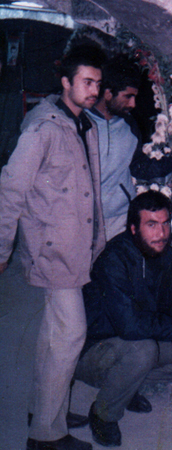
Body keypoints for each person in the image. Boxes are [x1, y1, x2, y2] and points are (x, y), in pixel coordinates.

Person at [0, 45, 106, 450]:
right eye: (87, 82)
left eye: (98, 83)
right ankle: (46, 435)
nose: (94, 90)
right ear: (65, 82)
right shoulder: (44, 129)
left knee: (53, 336)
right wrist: (1, 248)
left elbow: (89, 191)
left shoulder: (83, 125)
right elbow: (10, 190)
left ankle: (45, 410)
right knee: (70, 334)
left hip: (75, 247)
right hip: (53, 250)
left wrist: (98, 241)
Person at [75, 190, 172, 447]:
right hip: (95, 352)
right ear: (133, 229)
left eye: (165, 224)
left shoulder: (166, 255)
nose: (161, 233)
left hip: (136, 343)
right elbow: (129, 326)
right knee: (143, 351)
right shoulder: (113, 260)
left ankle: (126, 385)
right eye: (151, 225)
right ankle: (103, 414)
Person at [89, 55, 172, 241]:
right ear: (108, 93)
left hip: (120, 218)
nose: (133, 104)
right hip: (85, 218)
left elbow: (139, 166)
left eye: (134, 97)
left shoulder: (129, 125)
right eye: (128, 96)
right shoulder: (81, 124)